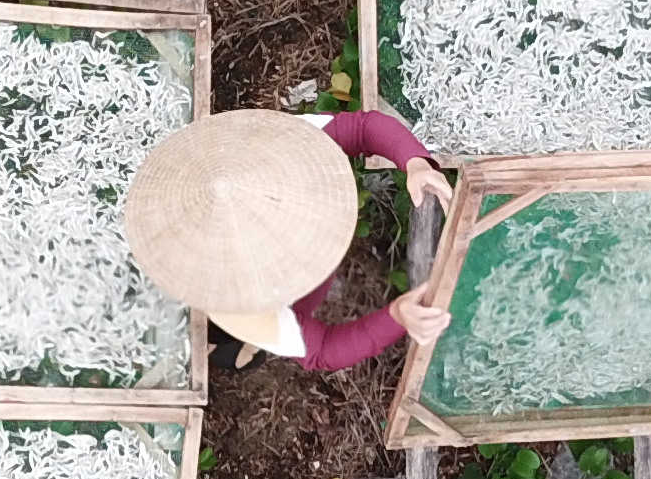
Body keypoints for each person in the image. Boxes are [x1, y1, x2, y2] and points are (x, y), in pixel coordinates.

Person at [121, 107, 450, 369]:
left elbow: (362, 128)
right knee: (230, 341)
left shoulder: (286, 144)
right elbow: (321, 351)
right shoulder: (240, 307)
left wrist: (415, 161)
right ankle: (225, 347)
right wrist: (395, 317)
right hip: (217, 295)